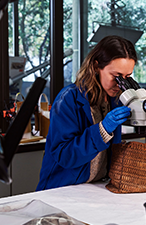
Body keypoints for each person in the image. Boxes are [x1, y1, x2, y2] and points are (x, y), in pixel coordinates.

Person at [36, 35, 137, 190]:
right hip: (62, 189)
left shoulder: (114, 101)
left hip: (95, 188)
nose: (120, 84)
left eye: (127, 77)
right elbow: (64, 155)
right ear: (97, 66)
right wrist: (102, 131)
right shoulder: (68, 99)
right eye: (116, 76)